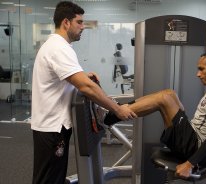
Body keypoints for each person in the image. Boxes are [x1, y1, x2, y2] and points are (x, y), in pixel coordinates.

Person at [30, 1, 137, 184]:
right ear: (66, 22)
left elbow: (68, 78)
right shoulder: (58, 48)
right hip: (52, 127)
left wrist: (84, 75)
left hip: (53, 125)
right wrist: (117, 109)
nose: (83, 27)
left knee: (53, 177)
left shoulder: (59, 46)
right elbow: (86, 88)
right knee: (48, 179)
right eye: (79, 22)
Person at [103, 51, 206, 179]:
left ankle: (110, 117)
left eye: (202, 69)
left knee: (164, 98)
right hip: (191, 137)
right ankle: (121, 108)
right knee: (169, 93)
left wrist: (189, 164)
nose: (198, 74)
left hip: (193, 146)